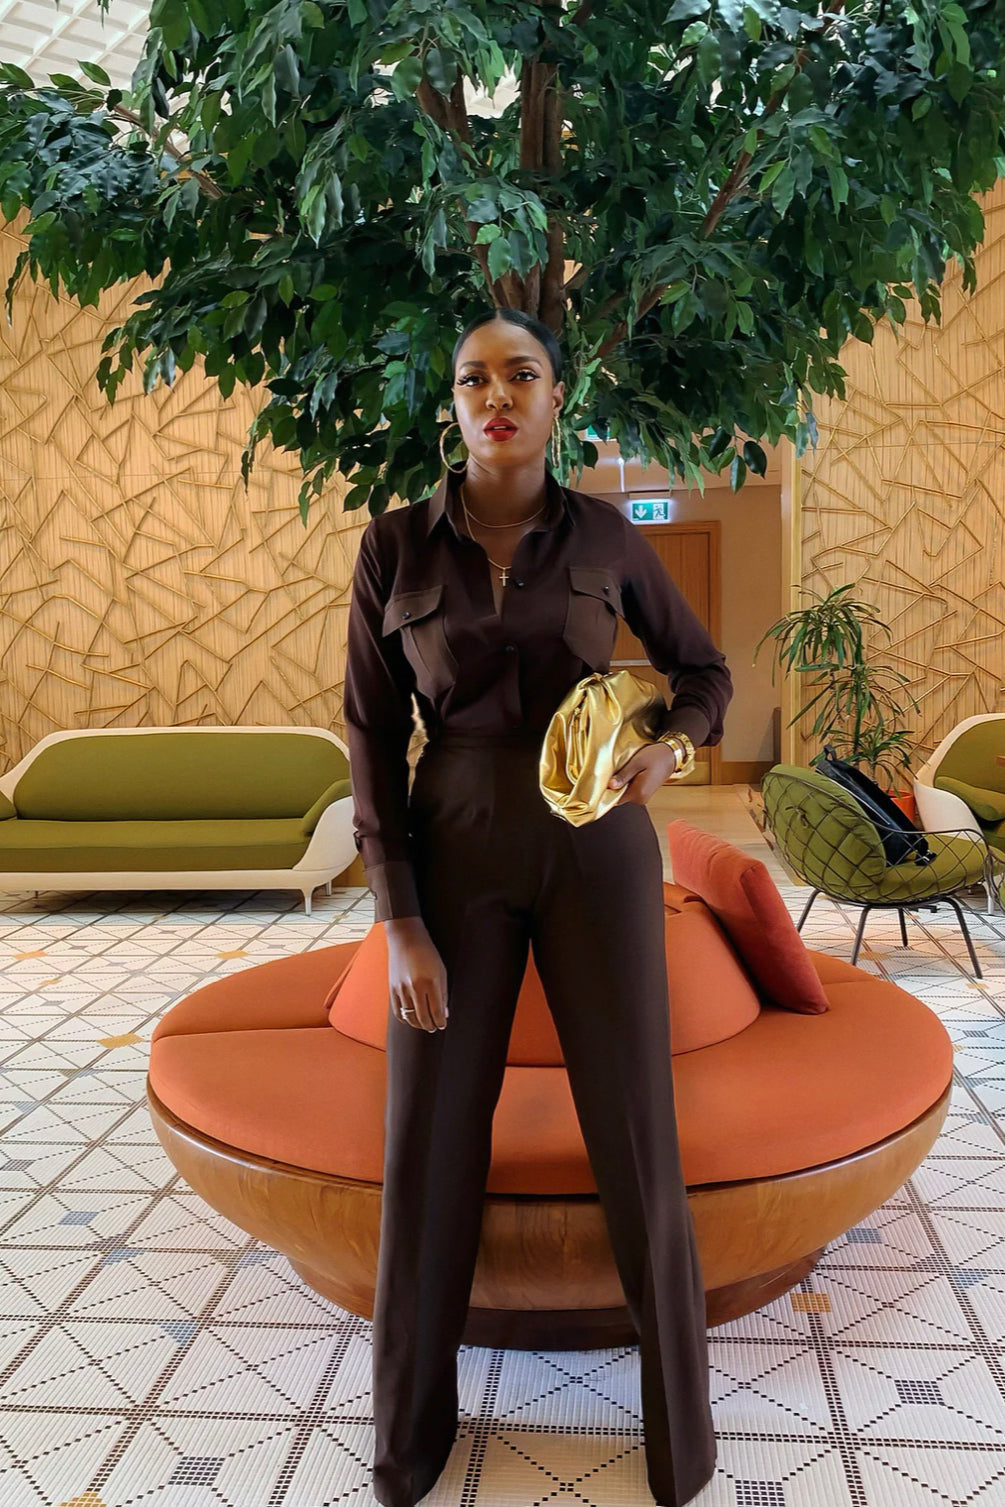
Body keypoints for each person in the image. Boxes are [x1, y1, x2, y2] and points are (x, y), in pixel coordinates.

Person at [342, 307, 733, 1507]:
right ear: (451, 404)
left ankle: (682, 1448)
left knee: (636, 1130)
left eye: (523, 374)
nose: (496, 392)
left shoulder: (610, 534)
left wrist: (671, 743)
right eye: (473, 377)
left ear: (559, 399)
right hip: (450, 844)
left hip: (596, 845)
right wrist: (398, 915)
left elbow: (705, 670)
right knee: (429, 1142)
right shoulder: (394, 546)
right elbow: (368, 731)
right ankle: (410, 1443)